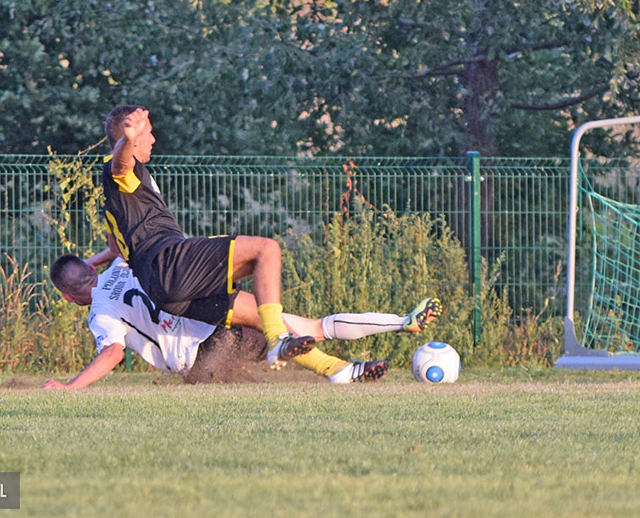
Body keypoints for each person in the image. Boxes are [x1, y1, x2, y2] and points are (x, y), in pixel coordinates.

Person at [99, 105, 313, 368]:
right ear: (128, 138)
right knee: (266, 249)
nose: (153, 139)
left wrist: (88, 264)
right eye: (149, 133)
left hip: (163, 291)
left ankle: (336, 369)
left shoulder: (117, 199)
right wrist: (128, 140)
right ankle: (277, 340)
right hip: (168, 263)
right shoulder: (119, 171)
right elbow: (121, 166)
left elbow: (116, 248)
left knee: (262, 311)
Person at [43, 253, 443, 388]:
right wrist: (94, 264)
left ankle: (305, 360)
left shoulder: (99, 313)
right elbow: (114, 247)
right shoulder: (126, 262)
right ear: (91, 270)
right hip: (215, 320)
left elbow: (113, 352)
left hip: (198, 360)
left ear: (66, 295)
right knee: (308, 326)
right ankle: (401, 321)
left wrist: (70, 386)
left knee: (281, 338)